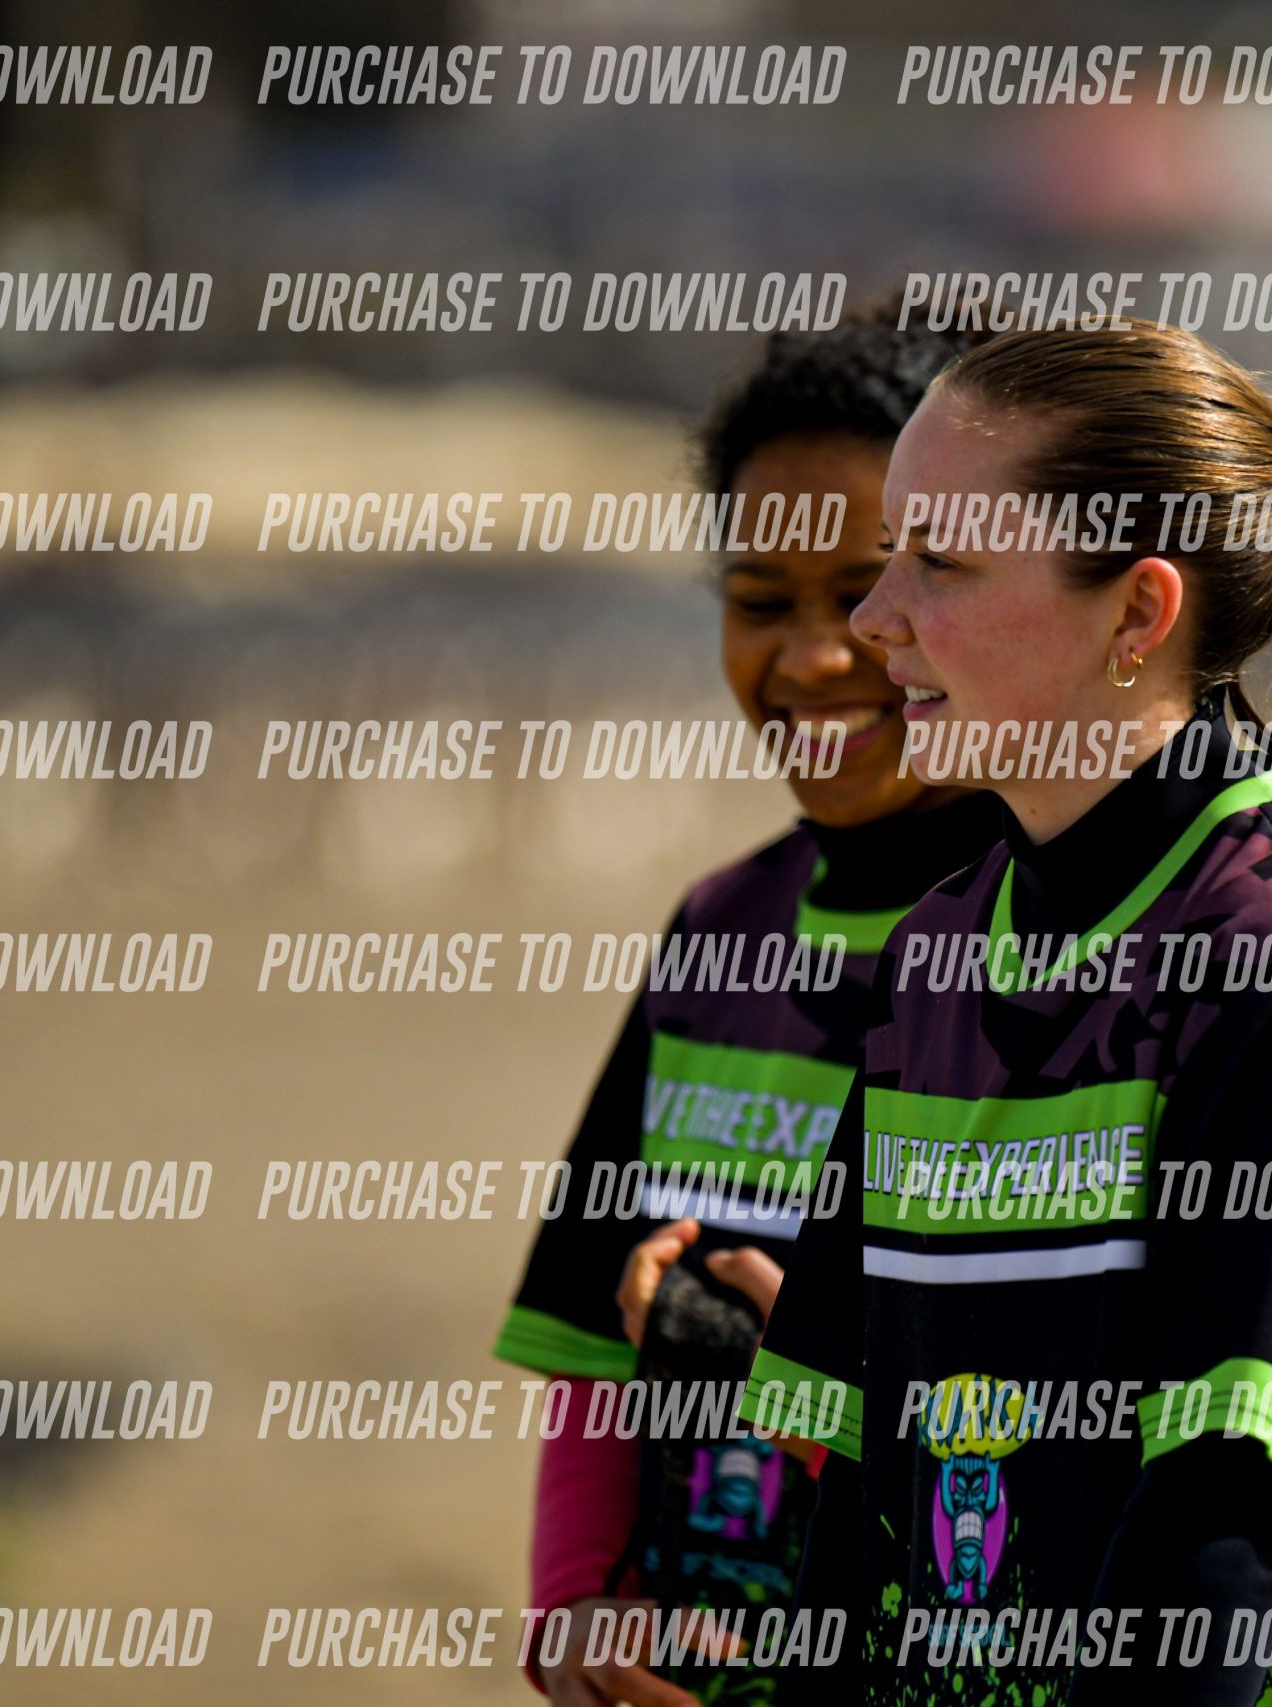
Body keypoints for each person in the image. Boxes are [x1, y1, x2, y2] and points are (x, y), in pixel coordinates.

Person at [738, 321, 1272, 1705]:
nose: (873, 618)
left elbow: (1219, 1542)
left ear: (1138, 614)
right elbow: (857, 1525)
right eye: (890, 552)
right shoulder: (937, 955)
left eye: (942, 562)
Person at [494, 307, 1000, 1706]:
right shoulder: (719, 934)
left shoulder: (1071, 953)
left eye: (868, 593)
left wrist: (824, 1370)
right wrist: (577, 1610)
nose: (817, 658)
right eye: (762, 601)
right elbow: (595, 1344)